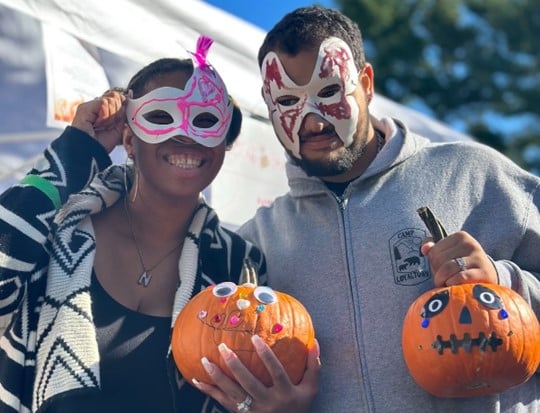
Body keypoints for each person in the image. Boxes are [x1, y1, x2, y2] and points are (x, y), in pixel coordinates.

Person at [237, 6, 540, 413]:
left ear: (365, 83)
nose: (311, 121)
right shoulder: (260, 242)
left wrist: (503, 284)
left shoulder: (474, 174)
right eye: (288, 101)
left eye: (328, 92)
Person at [0, 36, 319, 413]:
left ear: (223, 146)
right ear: (129, 139)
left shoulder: (237, 267)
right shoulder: (54, 227)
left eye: (205, 120)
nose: (185, 134)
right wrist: (73, 154)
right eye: (160, 117)